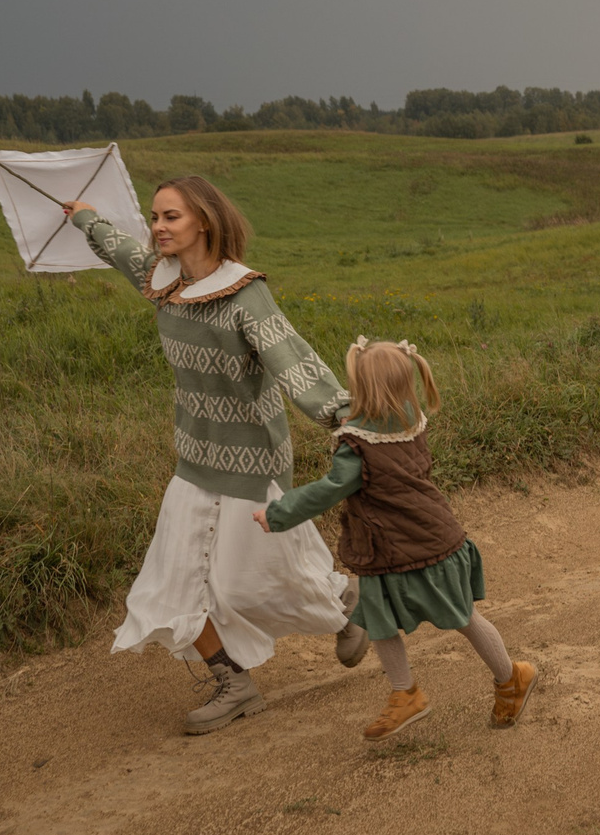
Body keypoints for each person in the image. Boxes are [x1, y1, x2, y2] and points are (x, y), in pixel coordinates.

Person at [63, 179, 371, 735]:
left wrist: (343, 416)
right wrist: (85, 216)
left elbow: (290, 358)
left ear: (202, 221)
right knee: (171, 583)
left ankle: (344, 600)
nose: (157, 227)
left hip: (254, 458)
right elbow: (120, 248)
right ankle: (234, 683)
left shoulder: (243, 293)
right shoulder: (162, 280)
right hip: (195, 456)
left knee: (251, 580)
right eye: (154, 216)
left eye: (171, 217)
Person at [255, 338, 537, 742]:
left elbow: (327, 490)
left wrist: (277, 513)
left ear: (364, 392)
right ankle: (429, 690)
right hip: (427, 539)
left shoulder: (357, 448)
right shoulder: (408, 414)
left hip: (395, 547)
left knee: (407, 622)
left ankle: (498, 679)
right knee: (438, 617)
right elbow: (366, 418)